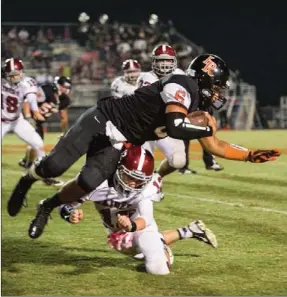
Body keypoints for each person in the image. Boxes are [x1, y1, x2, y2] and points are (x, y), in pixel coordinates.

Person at [7, 54, 280, 241]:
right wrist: (206, 128)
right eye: (217, 86)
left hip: (120, 139)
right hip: (102, 119)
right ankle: (27, 179)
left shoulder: (197, 106)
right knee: (54, 166)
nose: (219, 93)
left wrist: (249, 155)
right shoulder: (182, 83)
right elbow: (175, 125)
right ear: (205, 78)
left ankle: (46, 207)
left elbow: (215, 145)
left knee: (88, 181)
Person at [58, 145, 217, 275]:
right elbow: (64, 205)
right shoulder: (98, 181)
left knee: (158, 268)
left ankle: (160, 247)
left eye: (139, 180)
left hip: (141, 226)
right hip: (117, 235)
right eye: (130, 177)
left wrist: (132, 226)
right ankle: (189, 230)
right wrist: (71, 214)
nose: (133, 184)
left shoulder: (146, 189)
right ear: (119, 168)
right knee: (138, 251)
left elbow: (146, 219)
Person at [137, 44, 223, 177]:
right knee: (141, 165)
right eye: (161, 60)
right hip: (147, 127)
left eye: (168, 60)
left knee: (178, 161)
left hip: (167, 127)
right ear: (154, 61)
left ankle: (157, 176)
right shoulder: (146, 78)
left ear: (174, 61)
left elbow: (191, 95)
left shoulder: (180, 75)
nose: (164, 64)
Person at [18, 76, 72, 182]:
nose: (66, 89)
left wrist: (65, 132)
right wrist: (28, 117)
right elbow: (27, 101)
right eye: (64, 87)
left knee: (35, 144)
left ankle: (27, 163)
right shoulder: (47, 90)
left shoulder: (64, 99)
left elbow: (63, 117)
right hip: (31, 119)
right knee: (38, 144)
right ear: (58, 85)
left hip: (39, 122)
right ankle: (39, 172)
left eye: (68, 87)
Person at [1, 58, 46, 160]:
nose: (16, 76)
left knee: (38, 144)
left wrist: (35, 111)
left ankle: (41, 172)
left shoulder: (26, 83)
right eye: (12, 74)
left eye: (18, 73)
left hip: (17, 121)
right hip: (1, 121)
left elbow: (31, 97)